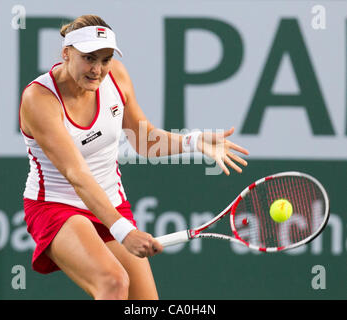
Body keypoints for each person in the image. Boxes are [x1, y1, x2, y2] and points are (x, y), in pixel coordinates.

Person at [19, 14, 249, 300]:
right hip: (56, 206)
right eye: (89, 58)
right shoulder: (39, 99)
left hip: (110, 202)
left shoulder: (117, 76)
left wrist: (194, 141)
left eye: (105, 59)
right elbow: (76, 174)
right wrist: (124, 231)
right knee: (113, 282)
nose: (98, 69)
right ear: (66, 54)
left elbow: (143, 140)